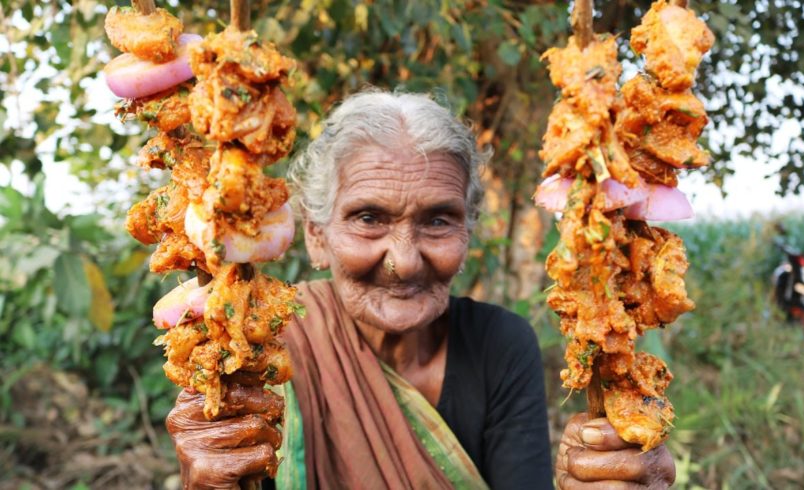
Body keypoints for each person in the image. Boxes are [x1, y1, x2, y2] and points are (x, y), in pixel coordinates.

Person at [165, 90, 676, 489]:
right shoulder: (257, 345)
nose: (404, 261)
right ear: (316, 235)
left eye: (438, 221)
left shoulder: (500, 345)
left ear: (467, 232)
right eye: (368, 218)